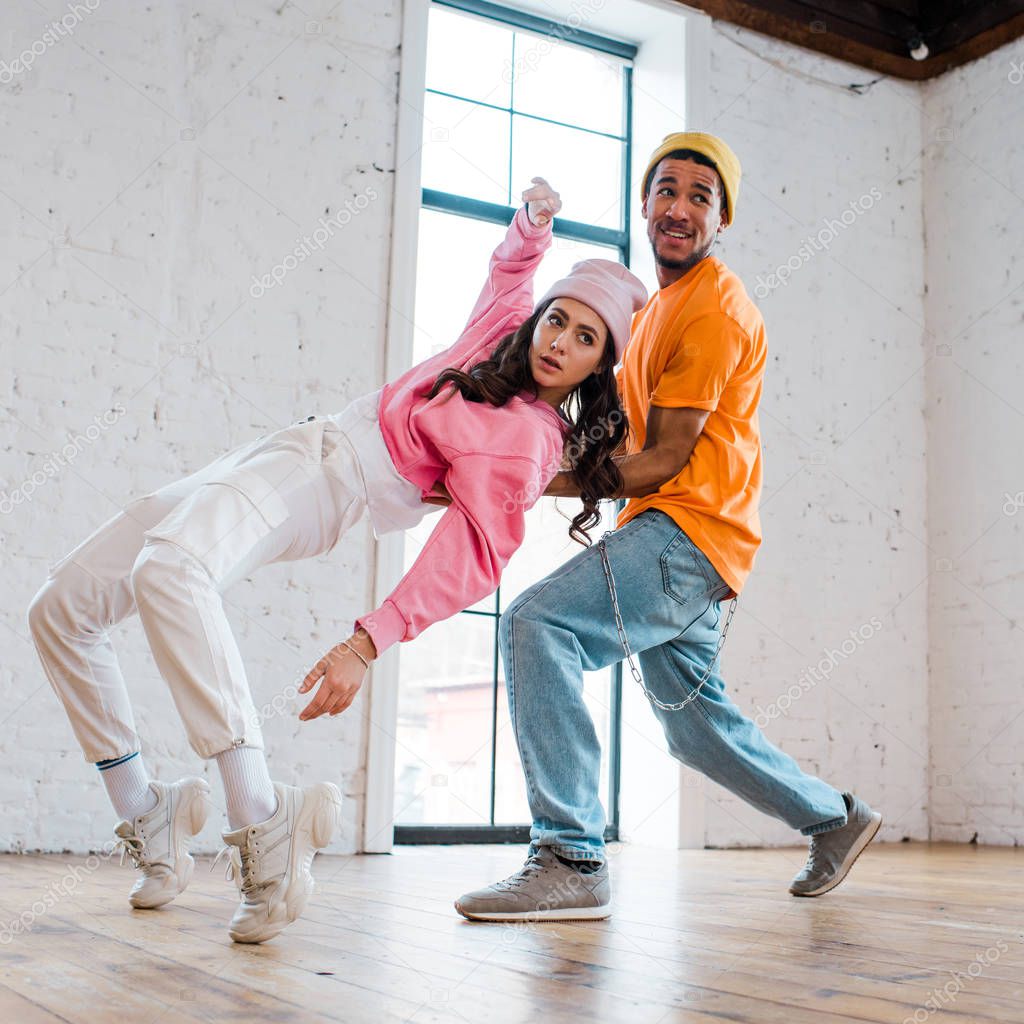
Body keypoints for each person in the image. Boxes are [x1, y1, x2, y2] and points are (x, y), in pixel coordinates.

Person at [27, 177, 648, 943]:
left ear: (599, 366)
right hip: (294, 446)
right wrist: (532, 223)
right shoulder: (501, 338)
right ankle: (147, 813)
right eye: (560, 320)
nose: (561, 342)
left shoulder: (528, 441)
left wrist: (369, 640)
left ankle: (263, 819)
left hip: (330, 478)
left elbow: (472, 555)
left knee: (169, 569)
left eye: (587, 339)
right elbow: (512, 276)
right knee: (61, 609)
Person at [455, 134, 882, 923]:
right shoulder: (655, 312)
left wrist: (525, 484)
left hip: (687, 531)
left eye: (700, 196)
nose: (680, 208)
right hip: (688, 538)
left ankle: (571, 856)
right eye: (666, 190)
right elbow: (616, 439)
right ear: (645, 205)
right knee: (693, 729)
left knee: (537, 623)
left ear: (723, 219)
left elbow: (666, 459)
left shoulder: (716, 308)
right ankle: (835, 817)